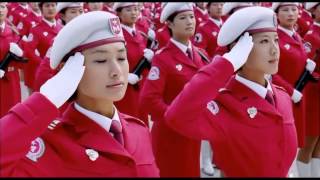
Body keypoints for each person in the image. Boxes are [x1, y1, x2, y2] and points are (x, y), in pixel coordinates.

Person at [0, 11, 159, 177]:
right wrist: (43, 102)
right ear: (69, 70)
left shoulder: (138, 130)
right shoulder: (51, 144)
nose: (117, 71)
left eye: (121, 58)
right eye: (101, 60)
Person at [165, 6, 298, 177]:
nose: (274, 50)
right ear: (239, 49)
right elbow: (177, 116)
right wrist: (226, 64)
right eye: (264, 41)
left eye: (276, 40)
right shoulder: (225, 105)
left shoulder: (282, 97)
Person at [140, 3, 210, 177]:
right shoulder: (163, 58)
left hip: (193, 133)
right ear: (169, 24)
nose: (189, 21)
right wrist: (177, 117)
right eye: (183, 18)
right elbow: (149, 99)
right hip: (170, 134)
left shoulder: (200, 54)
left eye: (192, 17)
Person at [270, 4, 317, 176]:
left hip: (298, 100)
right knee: (283, 147)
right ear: (276, 14)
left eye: (293, 10)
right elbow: (270, 72)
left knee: (295, 146)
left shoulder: (296, 36)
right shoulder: (275, 38)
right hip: (283, 99)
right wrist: (290, 91)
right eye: (285, 10)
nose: (290, 14)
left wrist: (307, 67)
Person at [113, 3, 154, 126]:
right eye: (129, 10)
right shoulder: (116, 36)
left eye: (136, 9)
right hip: (124, 90)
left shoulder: (140, 34)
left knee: (142, 124)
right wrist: (125, 77)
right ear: (119, 13)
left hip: (140, 88)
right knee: (128, 126)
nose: (134, 13)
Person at [297, 2, 320, 177]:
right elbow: (305, 68)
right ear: (314, 10)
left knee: (319, 144)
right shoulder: (312, 36)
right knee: (309, 144)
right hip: (314, 95)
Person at [0, 2, 24, 117]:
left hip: (12, 79)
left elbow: (24, 62)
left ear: (7, 10)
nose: (0, 10)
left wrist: (20, 55)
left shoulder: (13, 32)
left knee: (12, 114)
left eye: (2, 7)